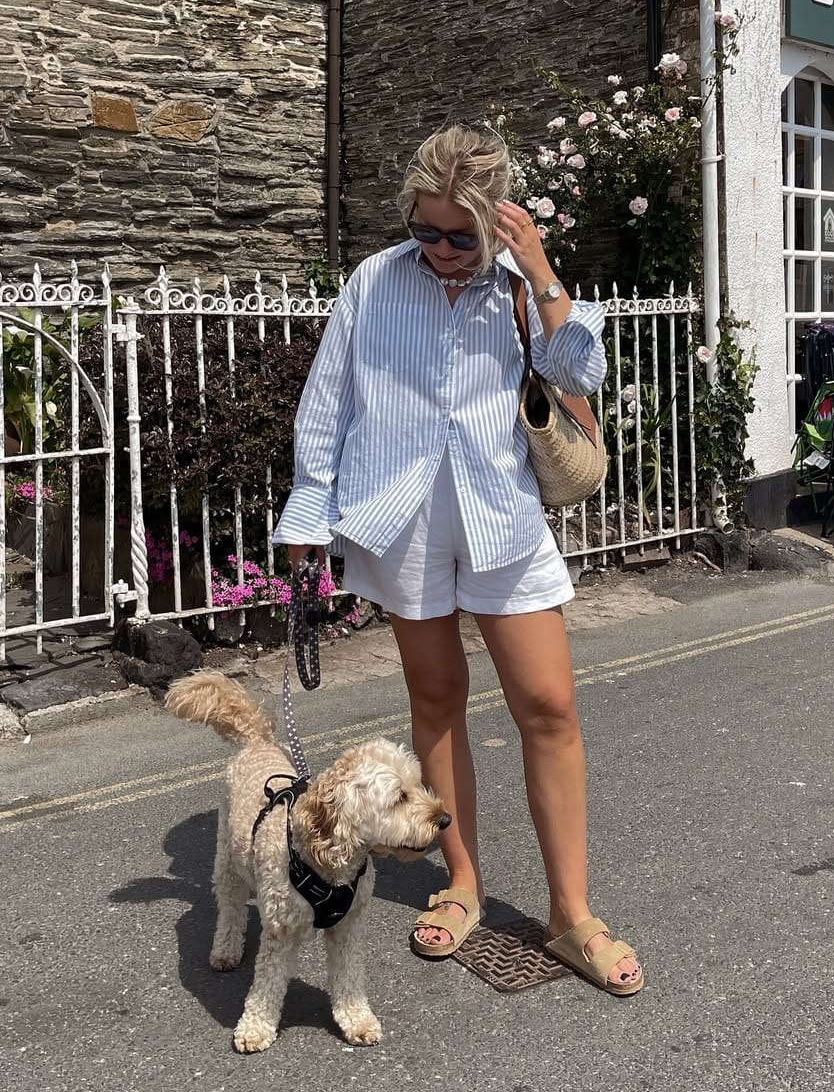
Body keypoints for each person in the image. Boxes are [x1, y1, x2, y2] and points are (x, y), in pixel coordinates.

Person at [272, 124, 643, 995]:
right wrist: (306, 515)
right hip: (400, 520)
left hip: (500, 516)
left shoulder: (515, 285)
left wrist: (539, 267)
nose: (439, 249)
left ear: (494, 220)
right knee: (435, 700)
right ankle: (465, 884)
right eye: (426, 230)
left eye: (460, 234)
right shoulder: (374, 282)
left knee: (548, 704)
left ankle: (570, 914)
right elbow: (327, 404)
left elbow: (579, 366)